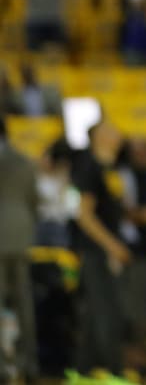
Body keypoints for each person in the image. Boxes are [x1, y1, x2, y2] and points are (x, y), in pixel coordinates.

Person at [71, 119, 134, 378]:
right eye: (111, 129)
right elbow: (83, 215)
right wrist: (112, 245)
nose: (118, 133)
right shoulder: (89, 167)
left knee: (94, 313)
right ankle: (116, 373)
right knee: (107, 311)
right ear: (98, 136)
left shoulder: (112, 169)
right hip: (94, 249)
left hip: (106, 249)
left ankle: (81, 373)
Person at [0, 117, 39, 383]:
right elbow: (33, 201)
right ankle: (30, 364)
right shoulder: (24, 160)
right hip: (21, 236)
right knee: (24, 303)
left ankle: (4, 366)